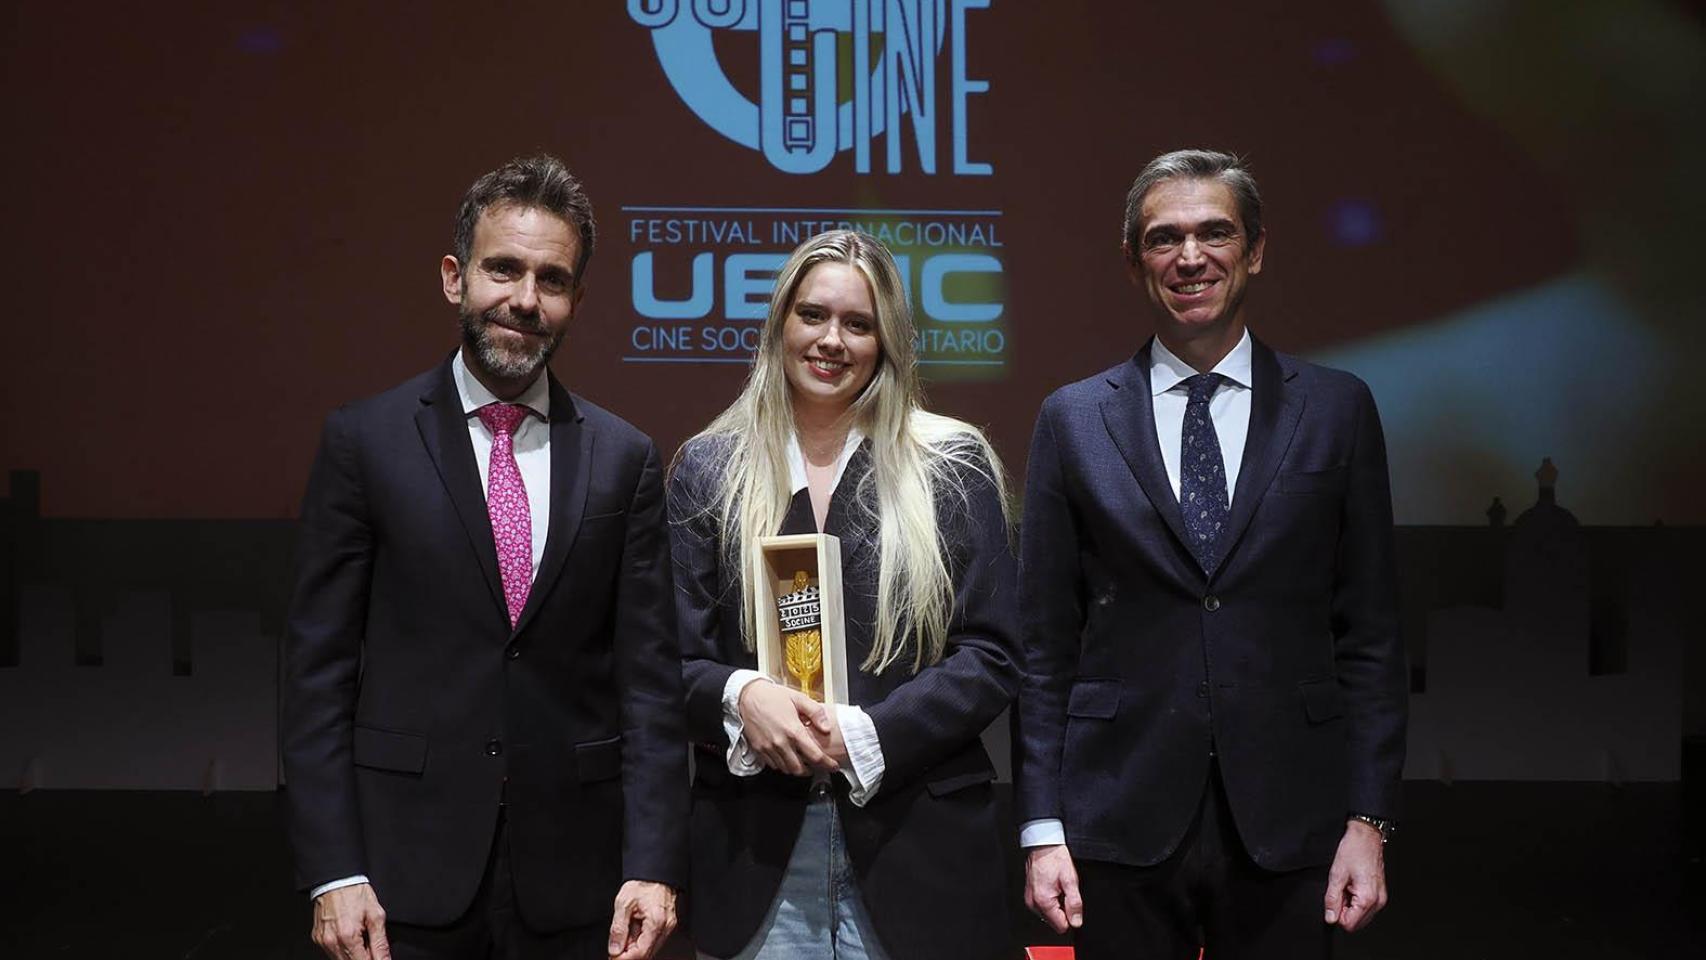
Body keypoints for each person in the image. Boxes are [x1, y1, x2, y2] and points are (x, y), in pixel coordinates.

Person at [281, 154, 688, 960]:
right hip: (399, 879)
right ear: (453, 278)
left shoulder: (625, 457)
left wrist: (652, 862)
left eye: (552, 278)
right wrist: (333, 870)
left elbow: (649, 685)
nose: (524, 300)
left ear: (575, 299)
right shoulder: (365, 441)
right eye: (502, 269)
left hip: (580, 884)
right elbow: (314, 674)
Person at [1015, 149, 1408, 958]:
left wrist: (1369, 822)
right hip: (1116, 819)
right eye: (1164, 239)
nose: (1190, 257)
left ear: (1255, 250)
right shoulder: (1072, 419)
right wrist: (1042, 828)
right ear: (1134, 264)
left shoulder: (1338, 410)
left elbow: (1371, 637)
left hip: (1293, 820)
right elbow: (1043, 648)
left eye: (1214, 232)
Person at [666, 230, 1019, 960]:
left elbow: (994, 653)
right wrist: (741, 697)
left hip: (920, 851)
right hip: (753, 855)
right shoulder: (707, 468)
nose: (833, 340)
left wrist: (867, 736)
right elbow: (668, 658)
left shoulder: (951, 464)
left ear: (886, 340)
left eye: (858, 324)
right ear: (780, 324)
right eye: (813, 316)